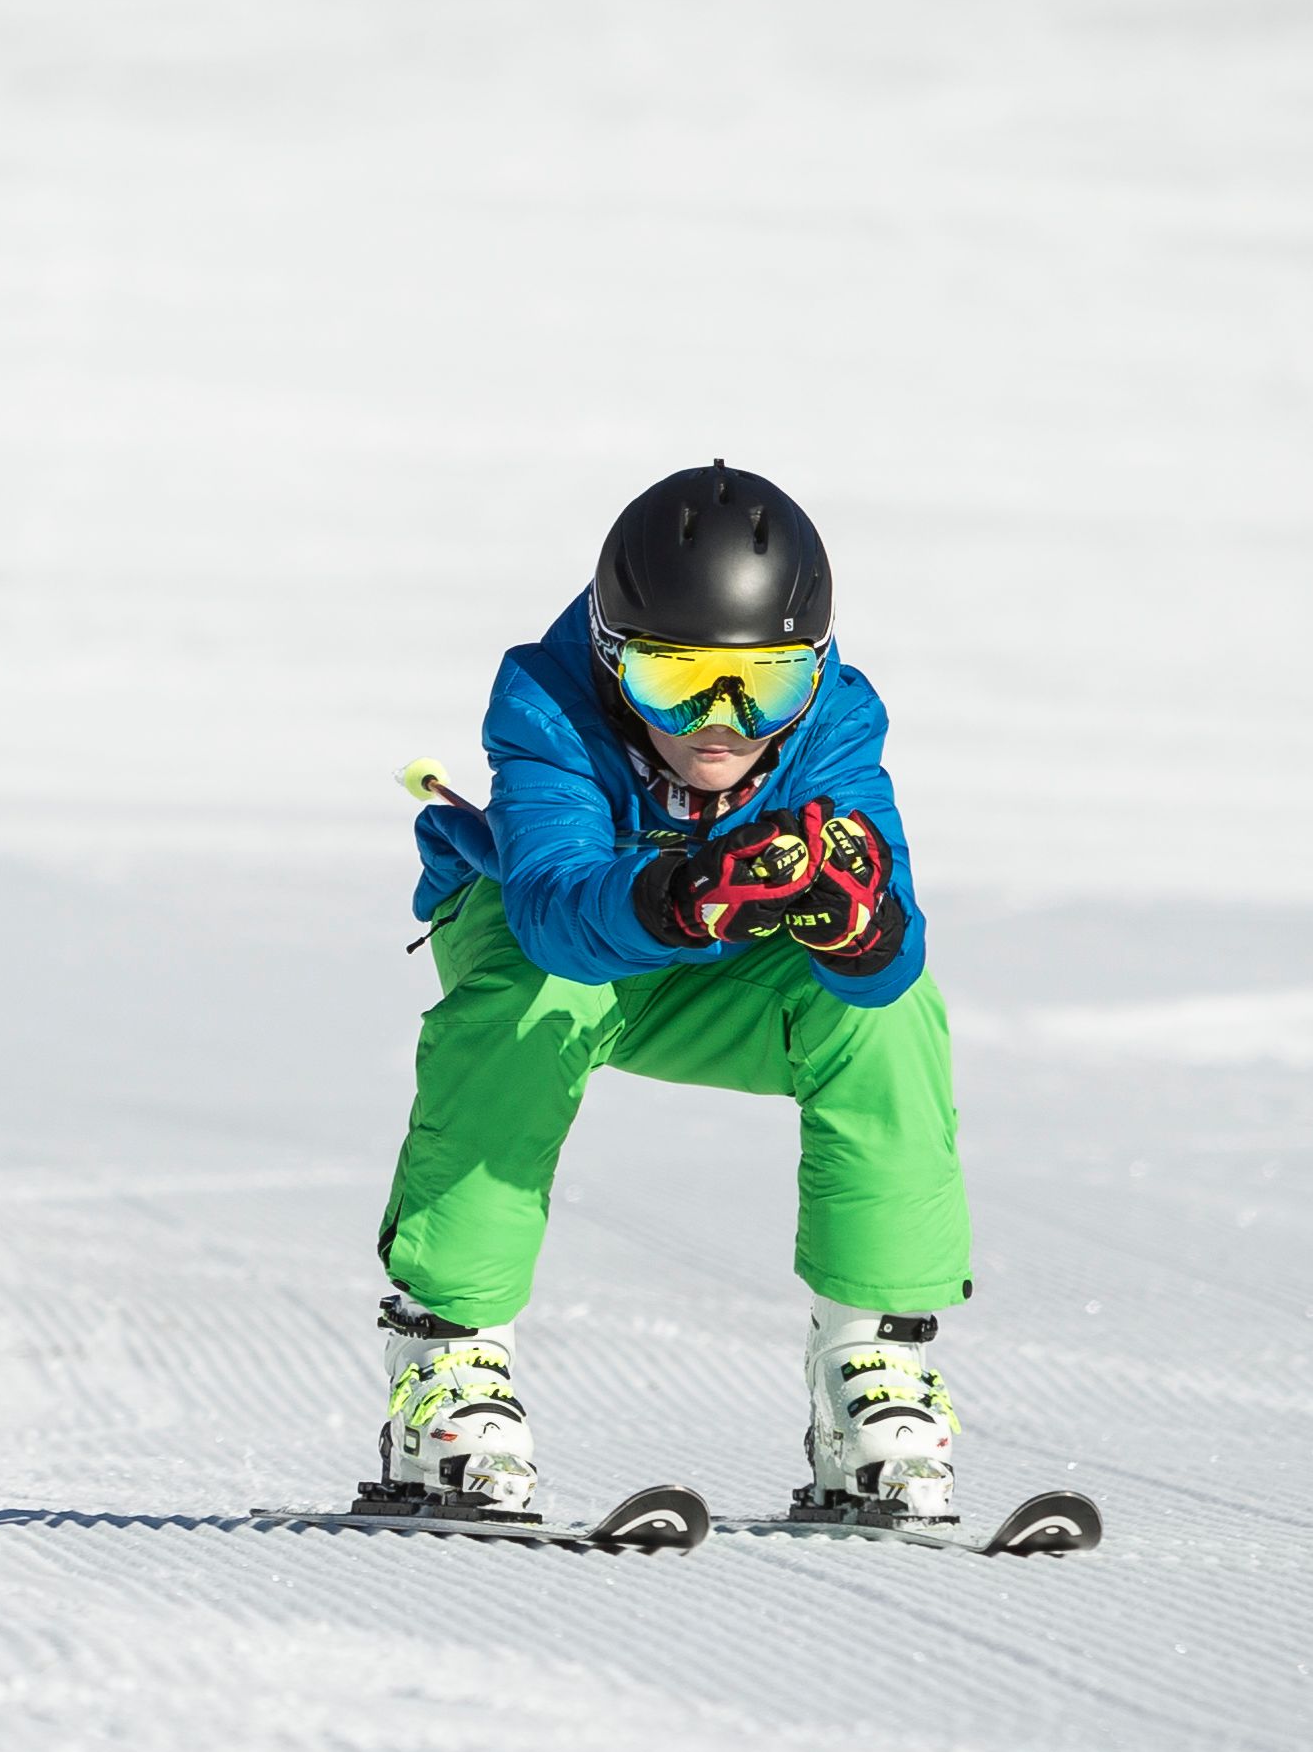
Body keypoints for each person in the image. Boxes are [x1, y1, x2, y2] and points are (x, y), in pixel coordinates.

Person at [373, 463, 970, 1521]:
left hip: (713, 980)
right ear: (613, 662)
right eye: (675, 679)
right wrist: (684, 896)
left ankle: (872, 1367)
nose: (721, 722)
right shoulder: (548, 705)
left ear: (815, 669)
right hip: (555, 952)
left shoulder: (836, 724)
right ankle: (448, 1361)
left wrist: (863, 930)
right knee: (531, 1004)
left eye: (765, 684)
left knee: (886, 1014)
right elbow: (552, 908)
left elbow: (896, 951)